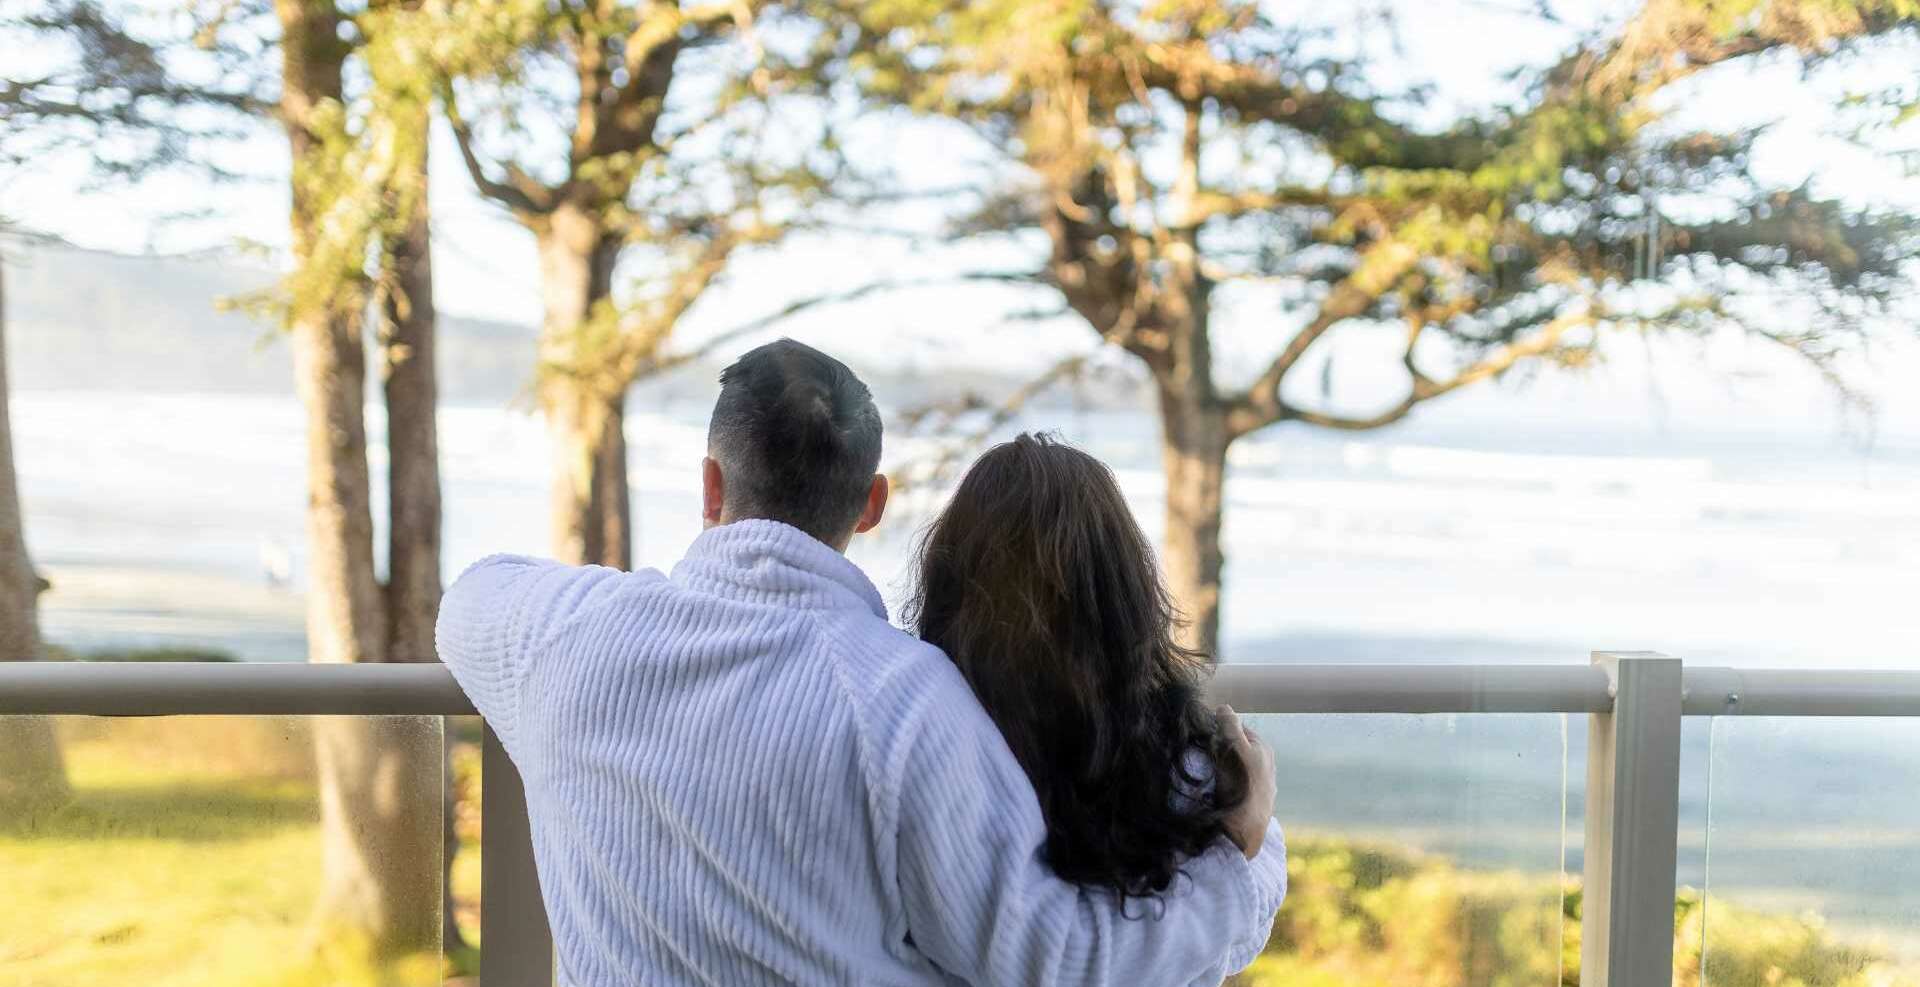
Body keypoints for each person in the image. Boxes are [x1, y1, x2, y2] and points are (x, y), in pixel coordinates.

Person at [436, 339, 1286, 986]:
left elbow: (469, 595)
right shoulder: (908, 702)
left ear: (709, 484)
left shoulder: (563, 636)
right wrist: (1238, 863)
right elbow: (1054, 958)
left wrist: (615, 602)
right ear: (872, 504)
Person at [906, 432, 1282, 908]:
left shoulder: (919, 737)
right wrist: (1251, 831)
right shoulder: (1185, 773)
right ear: (1120, 586)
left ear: (951, 579)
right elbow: (1215, 953)